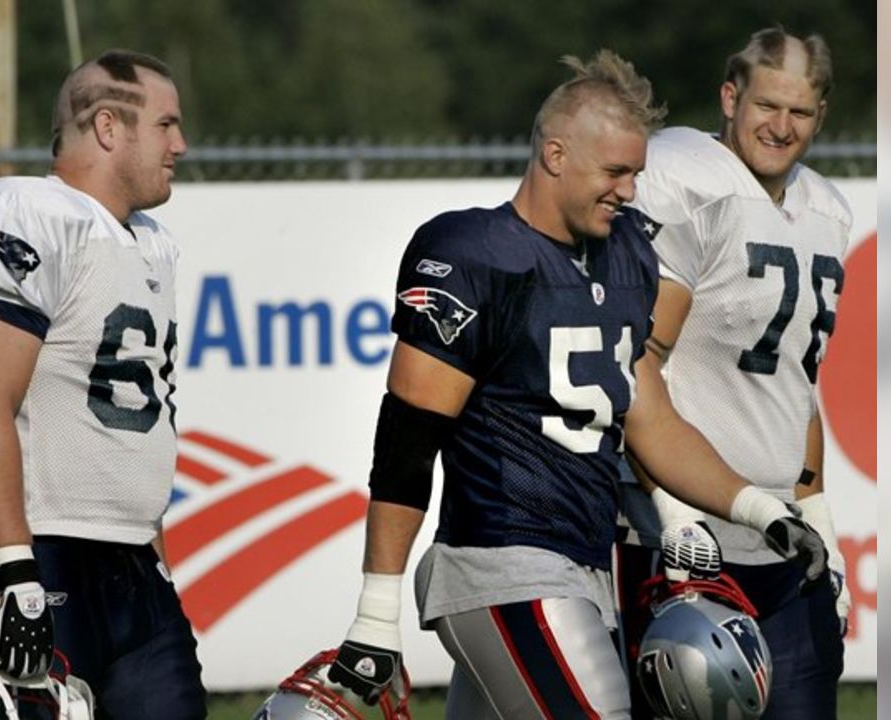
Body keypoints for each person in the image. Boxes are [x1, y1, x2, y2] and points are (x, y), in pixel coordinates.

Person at [326, 48, 829, 720]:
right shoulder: (472, 253)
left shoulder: (626, 256)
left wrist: (758, 510)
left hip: (584, 569)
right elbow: (408, 443)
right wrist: (375, 614)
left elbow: (654, 423)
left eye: (637, 173)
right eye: (615, 172)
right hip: (502, 562)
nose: (629, 191)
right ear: (556, 155)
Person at [0, 49, 205, 719]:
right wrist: (16, 571)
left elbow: (135, 426)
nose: (181, 143)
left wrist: (156, 558)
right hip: (38, 548)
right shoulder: (28, 213)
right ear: (109, 127)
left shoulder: (152, 243)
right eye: (166, 124)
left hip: (132, 564)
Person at [617, 28, 854, 719]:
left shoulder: (827, 210)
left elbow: (797, 385)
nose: (781, 127)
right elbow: (638, 364)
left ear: (821, 117)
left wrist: (817, 515)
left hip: (782, 539)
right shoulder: (687, 180)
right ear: (729, 97)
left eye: (800, 112)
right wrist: (676, 511)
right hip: (683, 536)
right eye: (766, 105)